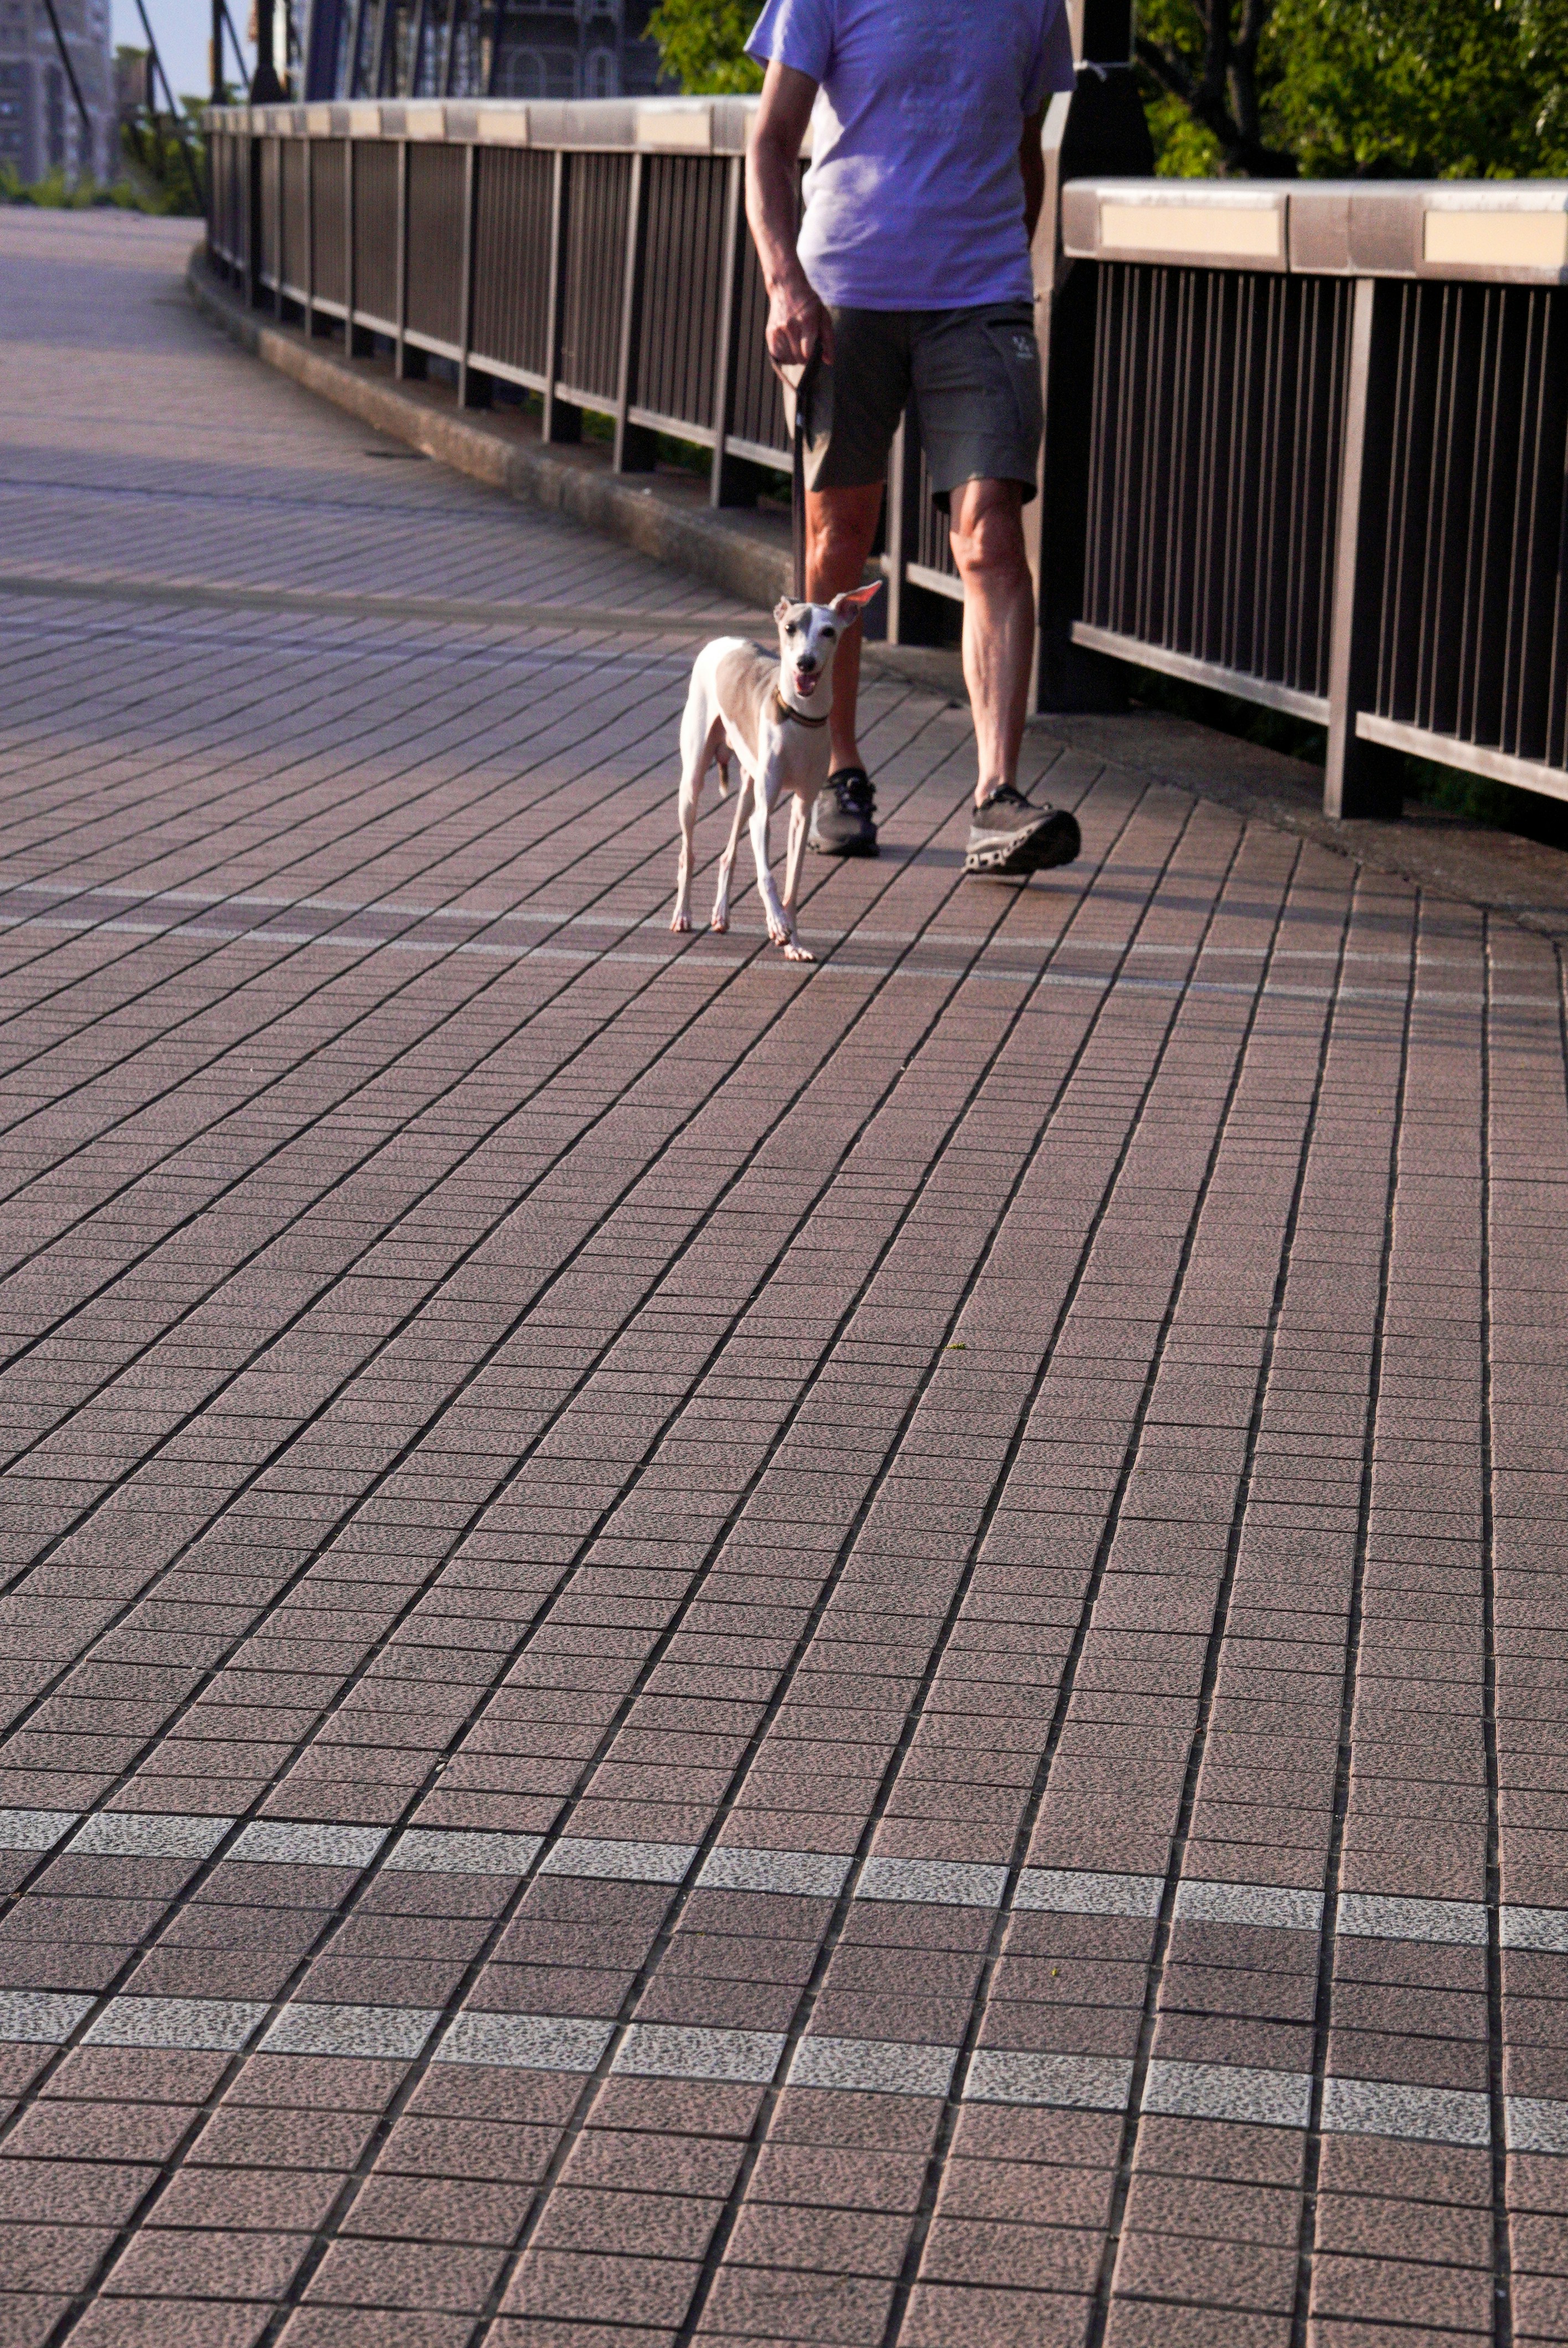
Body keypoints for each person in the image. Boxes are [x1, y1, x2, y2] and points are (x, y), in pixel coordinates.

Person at [744, 0, 1082, 876]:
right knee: (839, 542)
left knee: (992, 534)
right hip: (845, 291)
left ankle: (997, 795)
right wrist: (785, 284)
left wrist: (1003, 265)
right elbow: (772, 144)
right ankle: (836, 773)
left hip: (981, 298)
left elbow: (1024, 149)